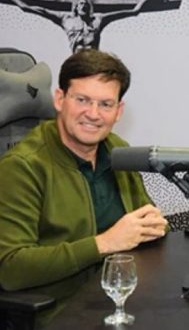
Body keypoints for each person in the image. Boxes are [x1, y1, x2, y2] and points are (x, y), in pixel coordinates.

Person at [0, 49, 167, 320]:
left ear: (118, 111)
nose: (93, 114)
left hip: (123, 302)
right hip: (61, 314)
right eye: (82, 100)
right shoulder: (23, 166)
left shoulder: (117, 150)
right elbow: (10, 268)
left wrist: (154, 225)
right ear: (60, 99)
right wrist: (103, 243)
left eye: (105, 104)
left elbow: (143, 222)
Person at [0, 0, 160, 52]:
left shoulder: (98, 19)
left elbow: (134, 11)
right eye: (80, 3)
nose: (83, 5)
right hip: (76, 65)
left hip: (94, 64)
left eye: (86, 4)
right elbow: (26, 7)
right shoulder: (65, 19)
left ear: (90, 7)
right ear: (75, 7)